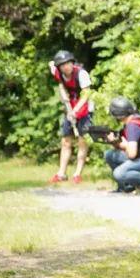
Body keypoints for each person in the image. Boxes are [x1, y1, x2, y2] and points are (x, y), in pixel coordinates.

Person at [48, 50, 93, 184]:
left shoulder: (82, 74)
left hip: (84, 109)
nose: (65, 67)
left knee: (82, 141)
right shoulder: (59, 73)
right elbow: (51, 65)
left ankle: (77, 174)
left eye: (67, 63)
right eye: (62, 65)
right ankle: (61, 173)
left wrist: (76, 111)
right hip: (69, 109)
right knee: (66, 141)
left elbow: (86, 95)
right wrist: (52, 65)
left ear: (72, 63)